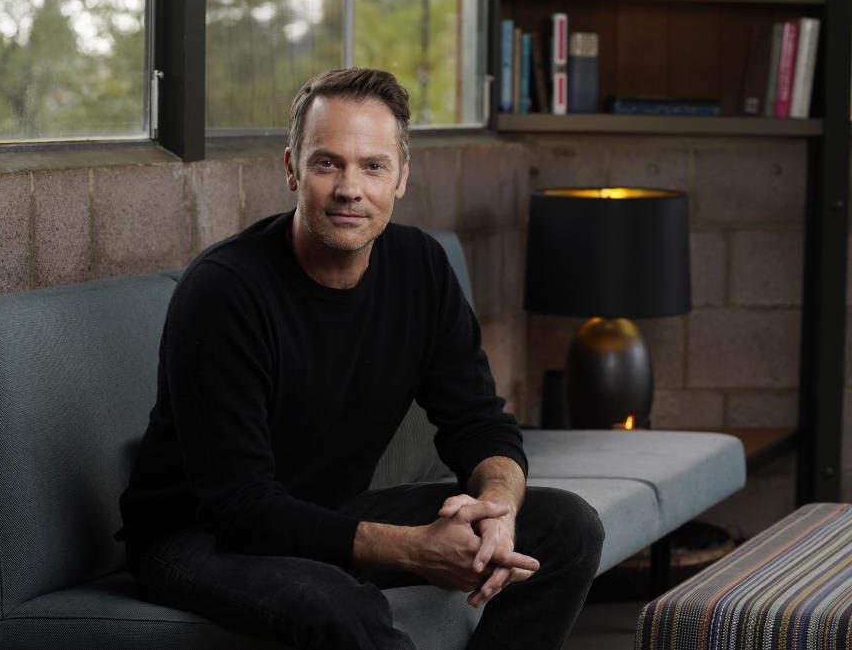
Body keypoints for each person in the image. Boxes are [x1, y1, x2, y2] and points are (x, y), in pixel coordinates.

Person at [118, 67, 604, 650]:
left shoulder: (421, 267)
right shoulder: (225, 290)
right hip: (197, 538)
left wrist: (497, 506)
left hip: (325, 510)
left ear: (400, 177)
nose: (351, 188)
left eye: (373, 166)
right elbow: (239, 506)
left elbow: (478, 422)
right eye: (328, 163)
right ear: (293, 168)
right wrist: (414, 549)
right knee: (339, 606)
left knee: (566, 527)